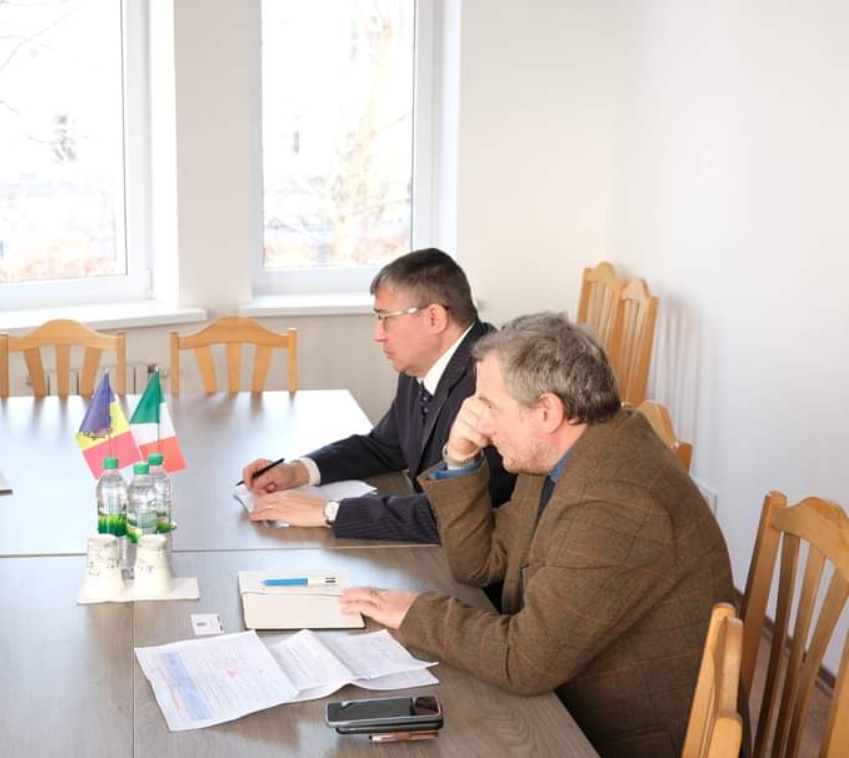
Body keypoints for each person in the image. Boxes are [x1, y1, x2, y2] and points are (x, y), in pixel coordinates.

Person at [339, 313, 734, 757]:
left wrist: (415, 612)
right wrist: (461, 458)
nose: (479, 423)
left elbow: (524, 660)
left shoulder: (616, 502)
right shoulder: (563, 453)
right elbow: (479, 563)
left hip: (613, 737)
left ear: (547, 411)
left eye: (489, 406)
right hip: (565, 695)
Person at [242, 248, 514, 543]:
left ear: (434, 318)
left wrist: (330, 512)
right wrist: (297, 472)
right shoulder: (421, 365)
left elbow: (456, 512)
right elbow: (384, 447)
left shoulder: (493, 381)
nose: (378, 334)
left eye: (385, 318)